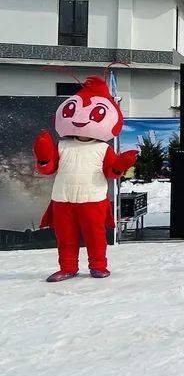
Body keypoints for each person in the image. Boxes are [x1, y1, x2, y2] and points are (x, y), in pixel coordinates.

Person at [34, 75, 138, 281]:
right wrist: (44, 156)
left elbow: (110, 173)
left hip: (93, 199)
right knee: (65, 237)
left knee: (95, 235)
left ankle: (98, 265)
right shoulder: (62, 145)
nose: (81, 120)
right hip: (63, 199)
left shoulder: (102, 148)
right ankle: (67, 267)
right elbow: (48, 169)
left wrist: (120, 165)